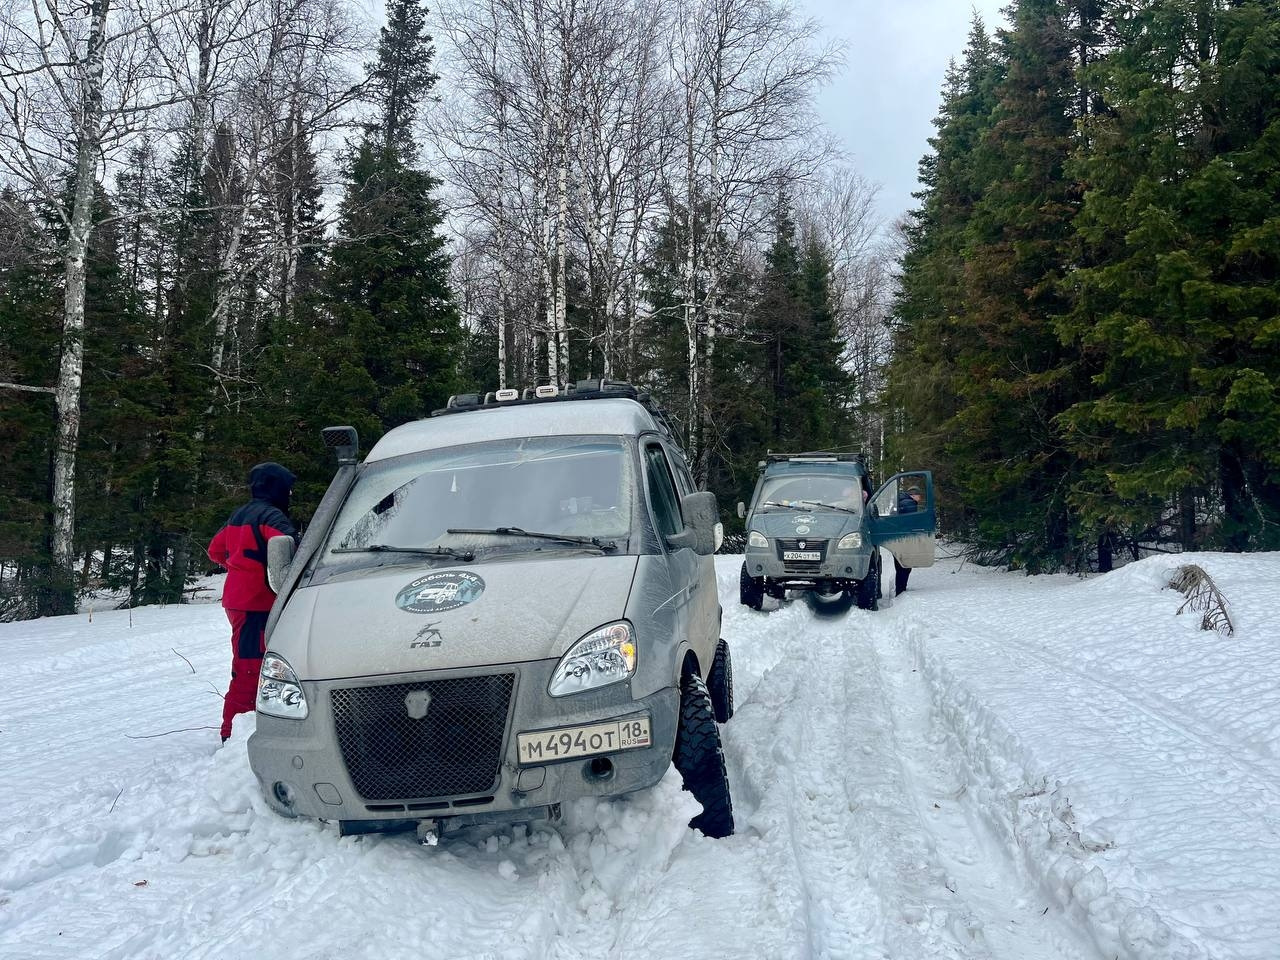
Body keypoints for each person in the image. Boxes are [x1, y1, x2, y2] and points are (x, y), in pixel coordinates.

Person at [207, 462, 298, 742]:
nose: (290, 495)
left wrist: (238, 568)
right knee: (250, 668)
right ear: (277, 488)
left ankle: (254, 727)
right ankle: (233, 736)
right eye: (288, 489)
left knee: (260, 665)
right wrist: (256, 571)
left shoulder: (239, 514)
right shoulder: (272, 517)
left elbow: (215, 550)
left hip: (240, 601)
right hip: (257, 604)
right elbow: (289, 551)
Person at [893, 481, 924, 595]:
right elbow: (911, 523)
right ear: (914, 495)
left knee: (900, 566)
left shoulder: (903, 501)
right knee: (905, 566)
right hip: (904, 540)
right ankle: (900, 591)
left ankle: (900, 590)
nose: (920, 498)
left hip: (898, 539)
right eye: (919, 495)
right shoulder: (909, 504)